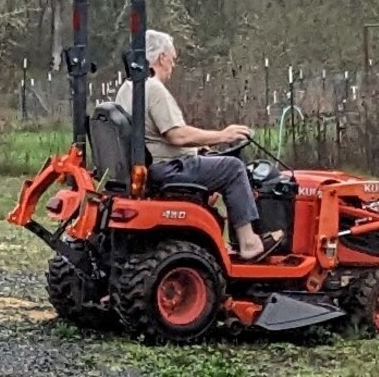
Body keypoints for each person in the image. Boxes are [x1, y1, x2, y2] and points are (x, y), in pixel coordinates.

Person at [114, 29, 284, 262]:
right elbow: (177, 135)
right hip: (167, 169)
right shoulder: (152, 88)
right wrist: (222, 135)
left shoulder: (127, 88)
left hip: (152, 165)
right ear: (162, 57)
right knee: (233, 169)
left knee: (217, 162)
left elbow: (154, 136)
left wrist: (199, 150)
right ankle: (249, 242)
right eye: (172, 59)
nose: (173, 66)